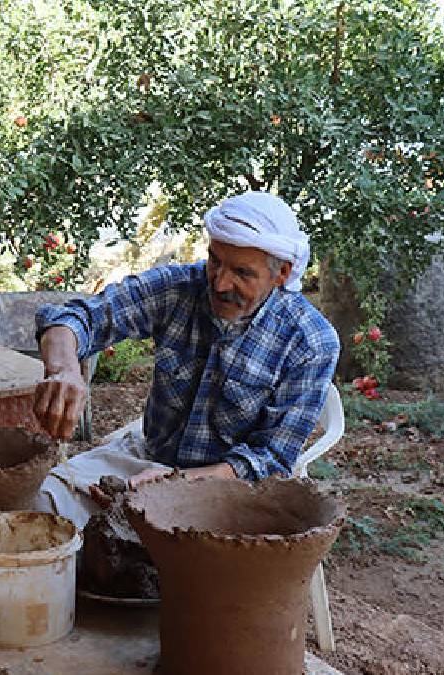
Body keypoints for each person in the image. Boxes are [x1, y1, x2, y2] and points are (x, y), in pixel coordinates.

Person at [31, 191, 340, 528]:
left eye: (242, 272)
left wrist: (175, 486)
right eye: (215, 261)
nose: (221, 283)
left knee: (204, 567)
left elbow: (270, 460)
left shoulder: (311, 341)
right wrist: (64, 370)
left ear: (282, 273)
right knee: (41, 503)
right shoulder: (179, 288)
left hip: (231, 490)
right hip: (147, 460)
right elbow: (74, 319)